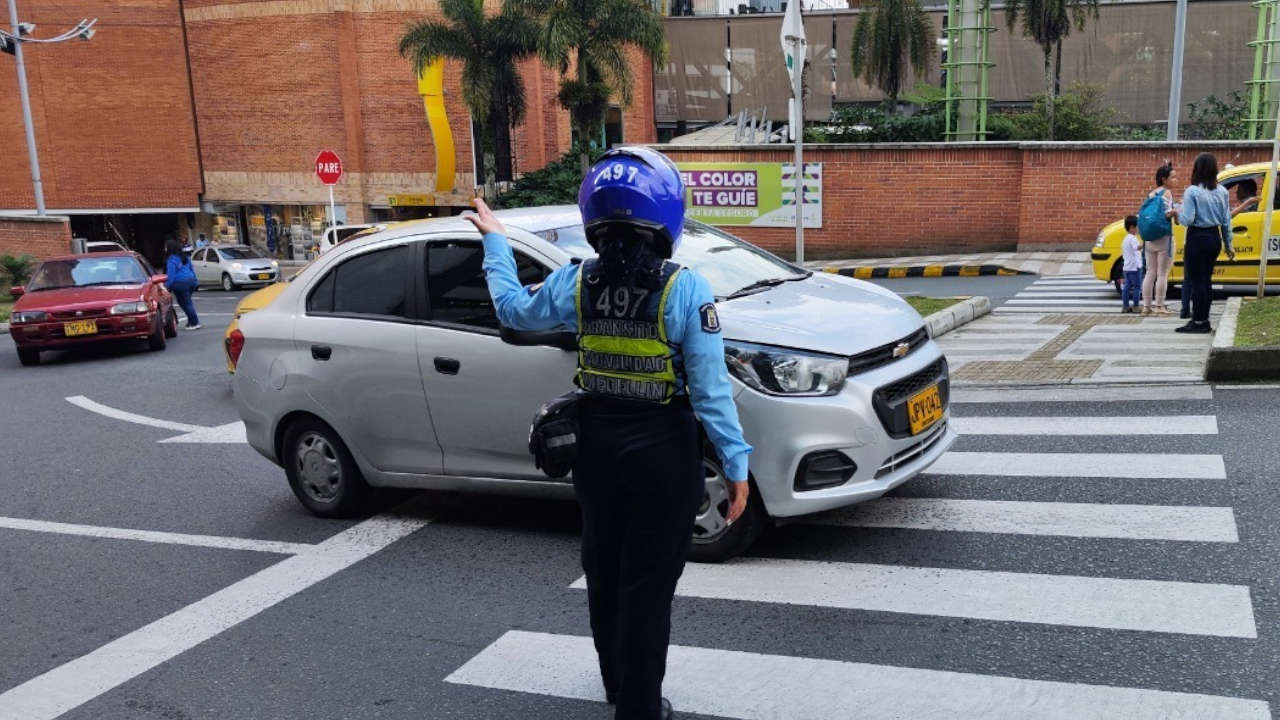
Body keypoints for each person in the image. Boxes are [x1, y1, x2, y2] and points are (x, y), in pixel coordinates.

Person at [467, 147, 752, 720]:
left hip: (596, 450)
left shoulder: (576, 283)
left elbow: (513, 311)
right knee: (648, 583)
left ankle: (617, 686)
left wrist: (496, 243)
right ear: (666, 216)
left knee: (604, 570)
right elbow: (710, 392)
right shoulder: (685, 290)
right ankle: (640, 707)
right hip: (664, 452)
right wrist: (736, 465)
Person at [1177, 152, 1235, 334]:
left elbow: (1187, 219)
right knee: (1206, 280)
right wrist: (1229, 244)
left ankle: (1198, 321)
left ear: (1197, 169)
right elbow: (1226, 220)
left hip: (1197, 237)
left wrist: (1176, 213)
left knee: (1196, 282)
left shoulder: (1192, 191)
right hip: (1214, 237)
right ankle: (1204, 319)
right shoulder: (1222, 192)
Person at [1141, 162, 1177, 316]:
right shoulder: (1167, 193)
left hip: (1149, 239)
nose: (1175, 180)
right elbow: (1167, 214)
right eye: (1173, 177)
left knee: (1150, 272)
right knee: (1162, 273)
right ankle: (1159, 306)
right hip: (1163, 237)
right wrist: (1175, 212)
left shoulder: (1150, 194)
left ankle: (1146, 307)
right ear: (1164, 179)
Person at [164, 238, 201, 330]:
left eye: (165, 247)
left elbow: (170, 275)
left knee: (186, 303)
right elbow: (191, 269)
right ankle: (191, 321)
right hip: (191, 281)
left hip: (180, 283)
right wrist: (196, 280)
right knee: (185, 302)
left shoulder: (171, 259)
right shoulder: (185, 257)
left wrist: (166, 286)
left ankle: (195, 322)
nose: (164, 248)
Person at [1120, 216, 1142, 313]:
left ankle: (1125, 306)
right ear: (1132, 227)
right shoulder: (1133, 238)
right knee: (1137, 287)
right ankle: (1136, 306)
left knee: (1126, 287)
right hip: (1134, 267)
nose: (1138, 229)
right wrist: (1145, 243)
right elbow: (1136, 248)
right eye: (1137, 227)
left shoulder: (1125, 239)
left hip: (1127, 267)